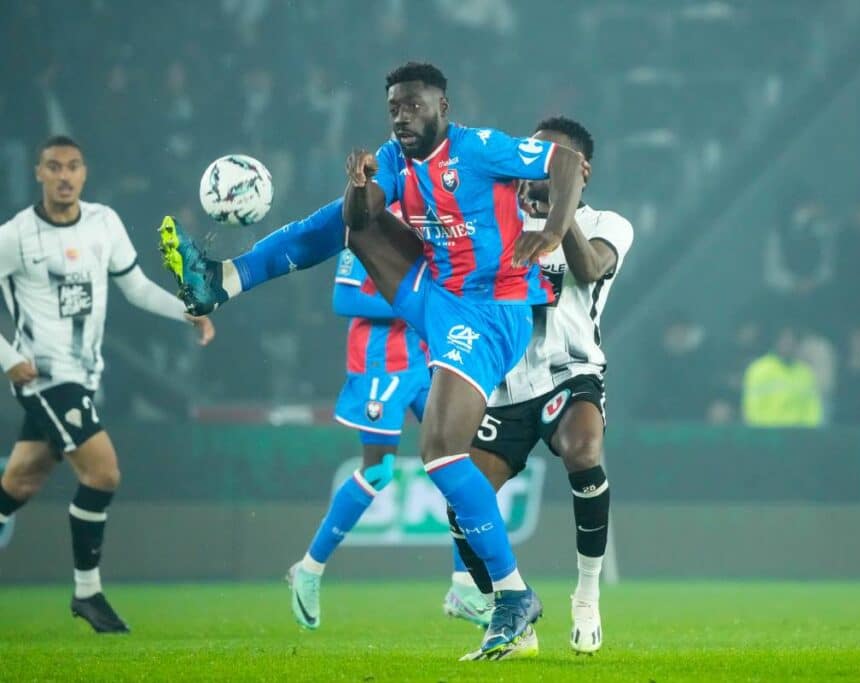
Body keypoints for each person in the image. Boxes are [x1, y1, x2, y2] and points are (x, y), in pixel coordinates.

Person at [160, 62, 586, 657]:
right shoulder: (391, 157)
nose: (401, 116)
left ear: (443, 105)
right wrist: (361, 187)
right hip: (435, 295)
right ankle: (223, 281)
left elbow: (564, 163)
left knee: (439, 452)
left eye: (413, 106)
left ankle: (512, 595)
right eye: (393, 107)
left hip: (492, 310)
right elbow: (361, 220)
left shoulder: (481, 148)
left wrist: (552, 230)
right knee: (348, 222)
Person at [0, 136, 214, 633]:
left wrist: (186, 313)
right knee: (103, 473)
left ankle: (86, 593)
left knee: (21, 480)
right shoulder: (15, 236)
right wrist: (9, 358)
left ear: (84, 173)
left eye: (73, 166)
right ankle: (87, 592)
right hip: (46, 378)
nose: (64, 176)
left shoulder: (103, 223)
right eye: (53, 166)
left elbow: (135, 287)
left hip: (85, 375)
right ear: (38, 173)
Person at [449, 117, 632, 658]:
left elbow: (592, 267)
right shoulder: (495, 220)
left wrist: (561, 214)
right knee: (463, 506)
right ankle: (516, 616)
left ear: (580, 171)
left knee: (582, 448)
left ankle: (587, 593)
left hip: (569, 372)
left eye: (552, 158)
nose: (536, 164)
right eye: (532, 154)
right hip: (504, 387)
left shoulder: (608, 223)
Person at [286, 242, 491, 631]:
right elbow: (344, 298)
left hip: (426, 359)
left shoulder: (432, 220)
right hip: (379, 363)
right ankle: (309, 570)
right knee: (378, 470)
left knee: (459, 462)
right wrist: (415, 308)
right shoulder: (367, 226)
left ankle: (464, 587)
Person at [742, 325, 823, 428]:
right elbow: (751, 408)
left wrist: (809, 433)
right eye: (784, 340)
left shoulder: (805, 373)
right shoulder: (759, 370)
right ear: (776, 342)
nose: (788, 345)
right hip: (767, 435)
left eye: (792, 341)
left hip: (798, 436)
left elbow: (812, 409)